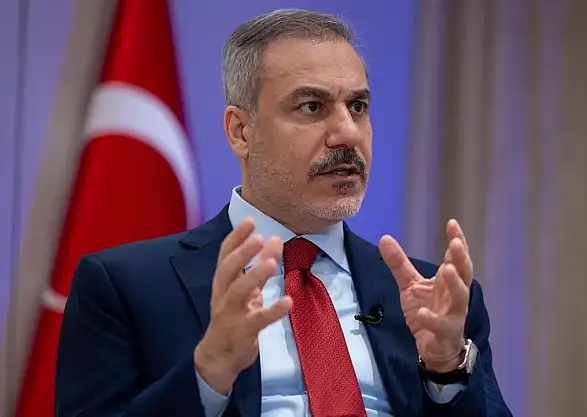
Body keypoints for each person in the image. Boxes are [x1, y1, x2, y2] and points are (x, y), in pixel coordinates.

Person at [55, 8, 512, 417]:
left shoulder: (435, 299)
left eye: (358, 107)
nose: (347, 134)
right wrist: (209, 371)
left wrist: (446, 370)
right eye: (311, 106)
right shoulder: (125, 287)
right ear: (240, 131)